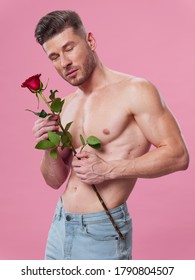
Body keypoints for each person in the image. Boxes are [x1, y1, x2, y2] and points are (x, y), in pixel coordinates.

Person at [33, 10, 189, 260]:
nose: (65, 62)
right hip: (60, 225)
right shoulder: (67, 104)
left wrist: (108, 170)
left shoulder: (135, 91)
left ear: (90, 41)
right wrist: (47, 145)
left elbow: (179, 155)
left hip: (101, 230)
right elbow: (54, 180)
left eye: (69, 48)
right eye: (54, 56)